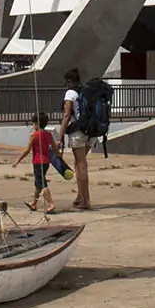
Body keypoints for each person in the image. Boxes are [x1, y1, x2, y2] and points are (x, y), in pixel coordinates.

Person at [58, 68, 93, 210]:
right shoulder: (86, 90)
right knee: (80, 164)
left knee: (81, 165)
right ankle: (80, 196)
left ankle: (86, 200)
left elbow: (67, 115)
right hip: (92, 131)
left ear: (69, 81)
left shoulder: (70, 93)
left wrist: (60, 136)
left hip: (78, 132)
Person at [13, 112, 58, 214]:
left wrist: (18, 160)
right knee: (38, 183)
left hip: (38, 162)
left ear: (36, 124)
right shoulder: (49, 135)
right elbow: (55, 148)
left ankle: (51, 203)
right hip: (46, 162)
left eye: (33, 124)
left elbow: (27, 150)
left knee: (42, 183)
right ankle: (33, 203)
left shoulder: (34, 135)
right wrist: (59, 156)